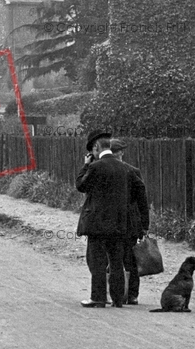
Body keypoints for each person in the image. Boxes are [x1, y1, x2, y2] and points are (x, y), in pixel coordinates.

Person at [76, 130, 130, 308]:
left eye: (93, 150)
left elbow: (81, 186)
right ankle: (118, 299)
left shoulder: (95, 167)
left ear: (97, 147)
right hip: (118, 222)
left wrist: (85, 165)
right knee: (116, 262)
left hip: (98, 223)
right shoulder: (124, 168)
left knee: (98, 261)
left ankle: (98, 298)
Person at [110, 138, 149, 305]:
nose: (117, 154)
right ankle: (128, 294)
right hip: (125, 221)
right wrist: (144, 224)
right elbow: (142, 201)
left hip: (119, 222)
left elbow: (142, 199)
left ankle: (126, 294)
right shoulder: (132, 171)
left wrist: (145, 224)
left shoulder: (128, 171)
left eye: (117, 151)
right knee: (127, 259)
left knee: (124, 259)